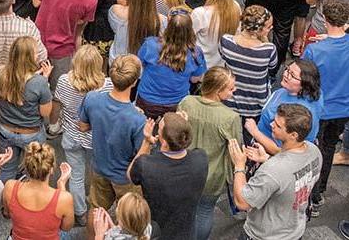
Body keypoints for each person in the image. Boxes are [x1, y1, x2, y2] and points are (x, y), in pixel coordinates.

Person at [228, 104, 321, 240]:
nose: (272, 124)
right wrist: (267, 158)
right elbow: (291, 168)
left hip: (264, 235)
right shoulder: (314, 151)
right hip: (294, 231)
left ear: (293, 135)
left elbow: (242, 202)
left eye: (278, 125)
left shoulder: (272, 170)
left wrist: (239, 166)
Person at [79, 55, 145, 229]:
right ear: (134, 82)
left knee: (96, 211)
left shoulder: (92, 98)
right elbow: (141, 157)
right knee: (130, 218)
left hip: (99, 167)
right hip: (125, 177)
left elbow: (83, 127)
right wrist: (149, 141)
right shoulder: (137, 119)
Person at [179, 67, 243, 240]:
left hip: (184, 169)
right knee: (205, 211)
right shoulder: (230, 117)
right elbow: (237, 150)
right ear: (217, 90)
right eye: (230, 88)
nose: (234, 91)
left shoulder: (186, 102)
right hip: (212, 175)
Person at [52, 44, 113, 226]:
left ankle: (80, 212)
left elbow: (57, 107)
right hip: (96, 139)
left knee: (76, 176)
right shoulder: (107, 85)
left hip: (71, 135)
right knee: (97, 174)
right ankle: (97, 207)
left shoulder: (64, 81)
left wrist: (52, 123)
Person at [302, 0, 349, 216]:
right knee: (329, 149)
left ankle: (309, 196)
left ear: (325, 19)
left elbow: (303, 76)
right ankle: (319, 192)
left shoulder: (315, 51)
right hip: (343, 109)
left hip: (320, 109)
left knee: (312, 151)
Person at [128, 113, 208, 240]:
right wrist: (180, 129)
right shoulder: (201, 159)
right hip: (187, 233)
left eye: (159, 129)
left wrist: (146, 141)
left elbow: (131, 174)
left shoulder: (147, 166)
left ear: (164, 142)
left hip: (157, 232)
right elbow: (187, 152)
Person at [34, 0, 105, 89]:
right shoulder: (90, 0)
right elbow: (80, 27)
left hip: (36, 43)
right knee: (58, 88)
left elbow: (36, 3)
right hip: (62, 49)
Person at [0, 36, 52, 181]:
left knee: (7, 168)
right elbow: (45, 112)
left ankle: (7, 199)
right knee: (36, 170)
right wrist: (45, 80)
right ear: (30, 57)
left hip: (6, 131)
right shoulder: (39, 83)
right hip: (31, 134)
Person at [135, 9, 207, 118]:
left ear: (168, 27)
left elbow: (139, 64)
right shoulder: (196, 53)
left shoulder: (150, 44)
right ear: (190, 29)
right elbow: (195, 79)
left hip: (147, 99)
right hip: (176, 103)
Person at [219, 5, 278, 134]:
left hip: (230, 100)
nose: (271, 28)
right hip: (256, 102)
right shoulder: (268, 49)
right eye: (269, 27)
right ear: (259, 30)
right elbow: (272, 68)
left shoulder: (226, 41)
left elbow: (223, 56)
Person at [246, 59, 323, 154]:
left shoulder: (295, 114)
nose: (286, 75)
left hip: (266, 151)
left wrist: (254, 131)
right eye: (287, 70)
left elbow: (281, 151)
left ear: (305, 84)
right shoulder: (315, 93)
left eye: (293, 75)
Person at [2, 142, 74, 239]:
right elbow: (66, 227)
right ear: (51, 169)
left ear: (26, 167)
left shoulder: (10, 187)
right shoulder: (64, 198)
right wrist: (61, 184)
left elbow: (6, 214)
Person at [108, 0, 161, 65]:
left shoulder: (115, 11)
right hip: (143, 66)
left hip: (118, 64)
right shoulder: (160, 20)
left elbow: (114, 27)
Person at [191, 0, 241, 67]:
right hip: (222, 64)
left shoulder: (199, 13)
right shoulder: (236, 7)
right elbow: (237, 35)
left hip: (201, 64)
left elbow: (188, 38)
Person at [91, 191, 157, 240]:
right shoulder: (149, 228)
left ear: (121, 220)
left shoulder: (110, 238)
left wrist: (99, 235)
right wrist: (113, 228)